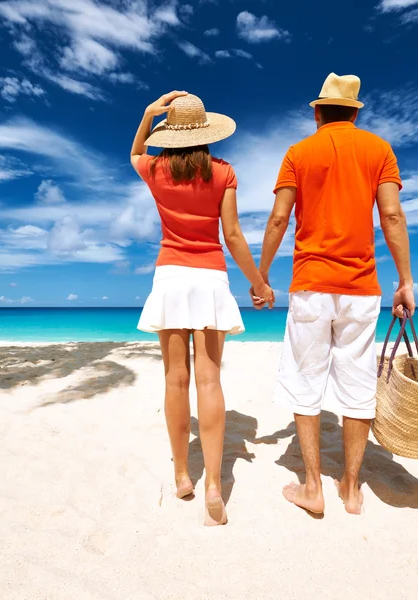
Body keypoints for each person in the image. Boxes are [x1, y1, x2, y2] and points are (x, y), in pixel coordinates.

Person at [253, 73, 415, 515]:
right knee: (358, 383)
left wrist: (262, 275)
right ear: (355, 111)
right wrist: (405, 281)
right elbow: (392, 217)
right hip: (361, 287)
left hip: (310, 284)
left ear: (318, 112)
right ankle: (351, 488)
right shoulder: (378, 150)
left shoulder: (298, 153)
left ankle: (312, 487)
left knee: (305, 382)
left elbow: (278, 219)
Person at [131, 91, 274, 526]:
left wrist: (147, 114)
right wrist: (258, 282)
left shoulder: (155, 169)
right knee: (209, 381)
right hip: (210, 278)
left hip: (171, 278)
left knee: (176, 382)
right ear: (208, 133)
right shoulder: (224, 172)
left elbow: (136, 150)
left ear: (170, 133)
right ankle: (214, 482)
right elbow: (231, 234)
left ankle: (180, 475)